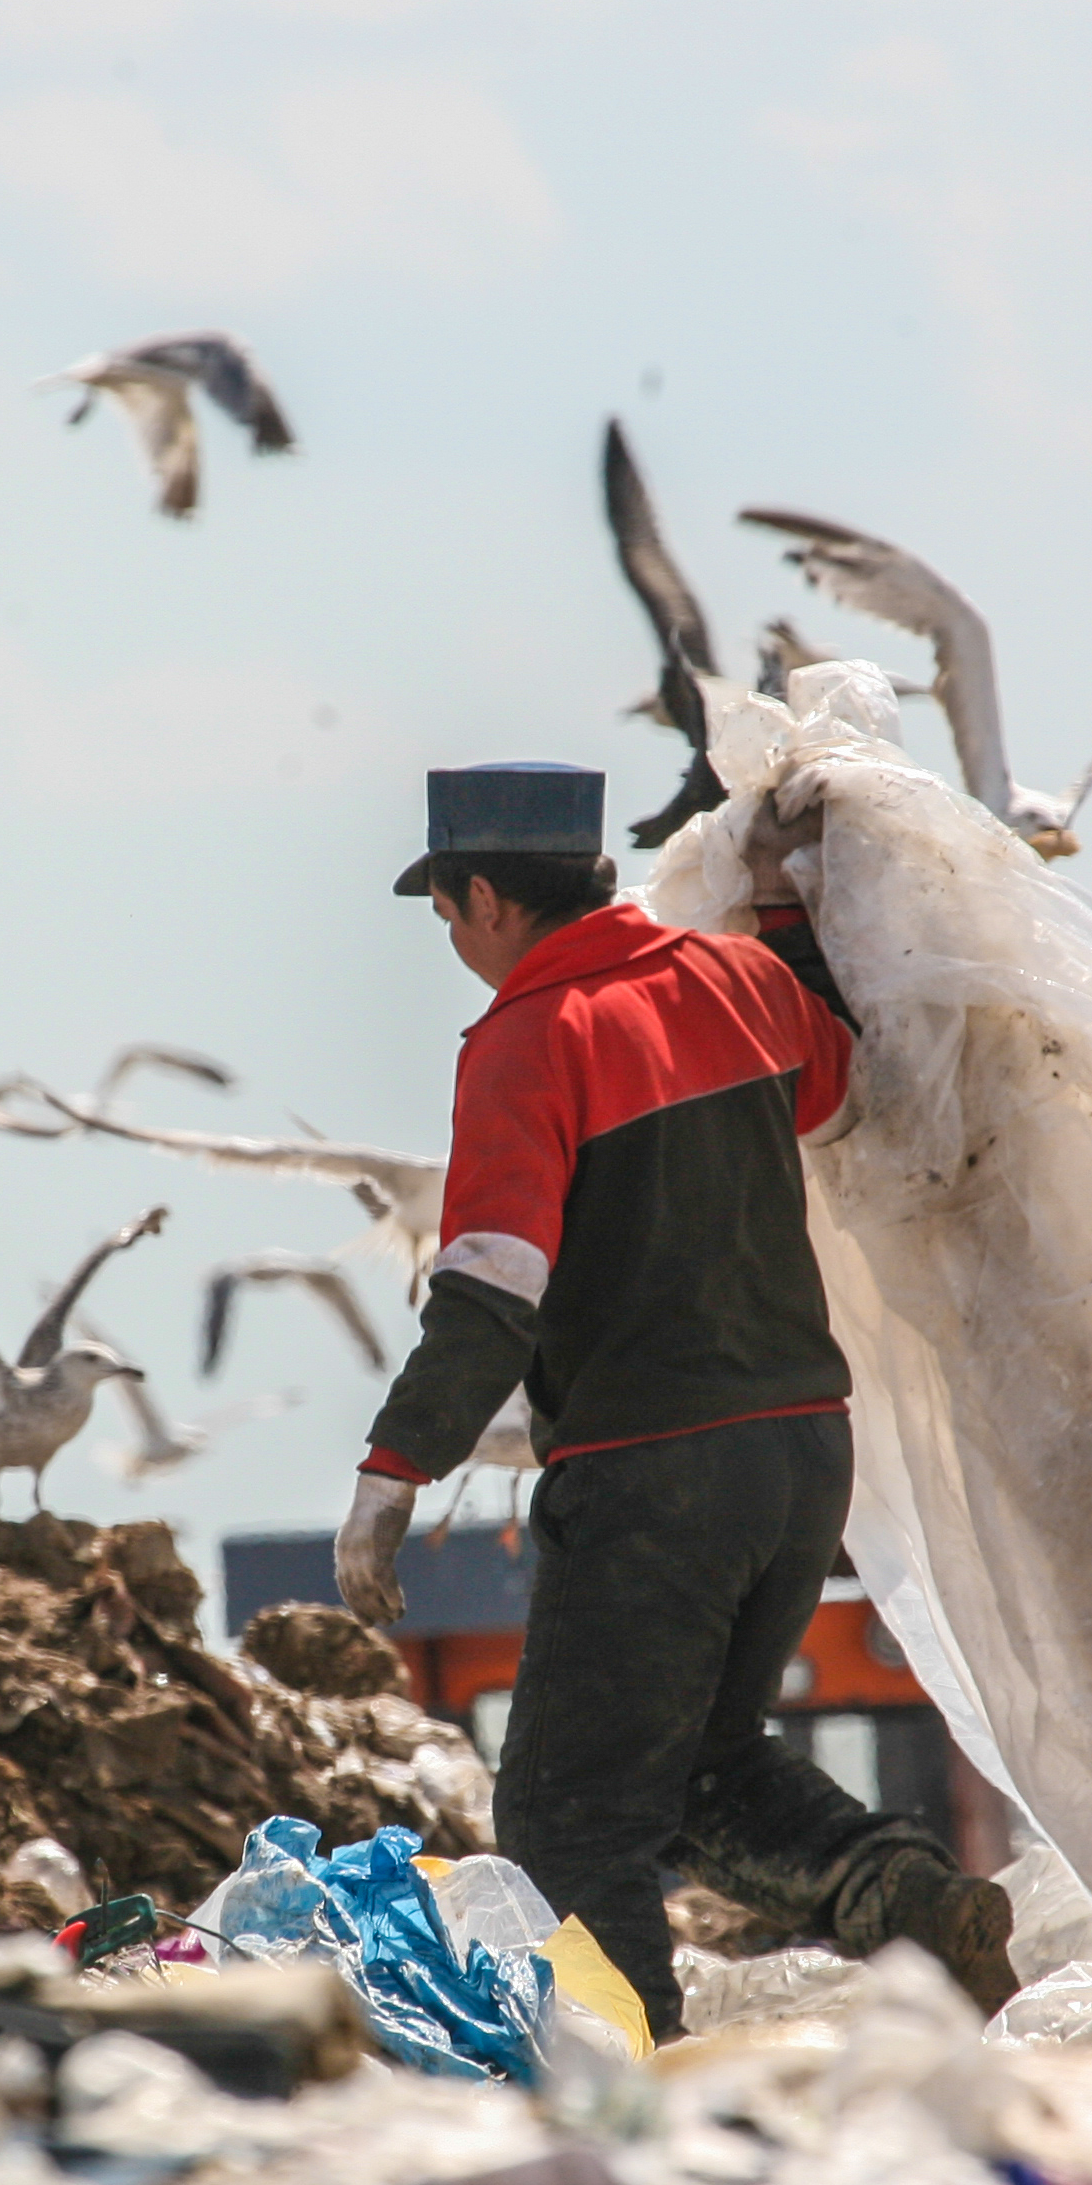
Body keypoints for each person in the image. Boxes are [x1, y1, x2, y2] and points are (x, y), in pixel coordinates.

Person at [332, 760, 1018, 2033]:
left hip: (656, 1475)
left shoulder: (528, 1040)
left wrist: (394, 1470)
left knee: (567, 1812)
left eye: (444, 913)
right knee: (702, 1768)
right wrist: (787, 914)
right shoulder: (736, 980)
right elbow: (835, 1083)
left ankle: (631, 2068)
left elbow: (491, 1286)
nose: (451, 941)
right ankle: (904, 1897)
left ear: (486, 899)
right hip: (801, 1457)